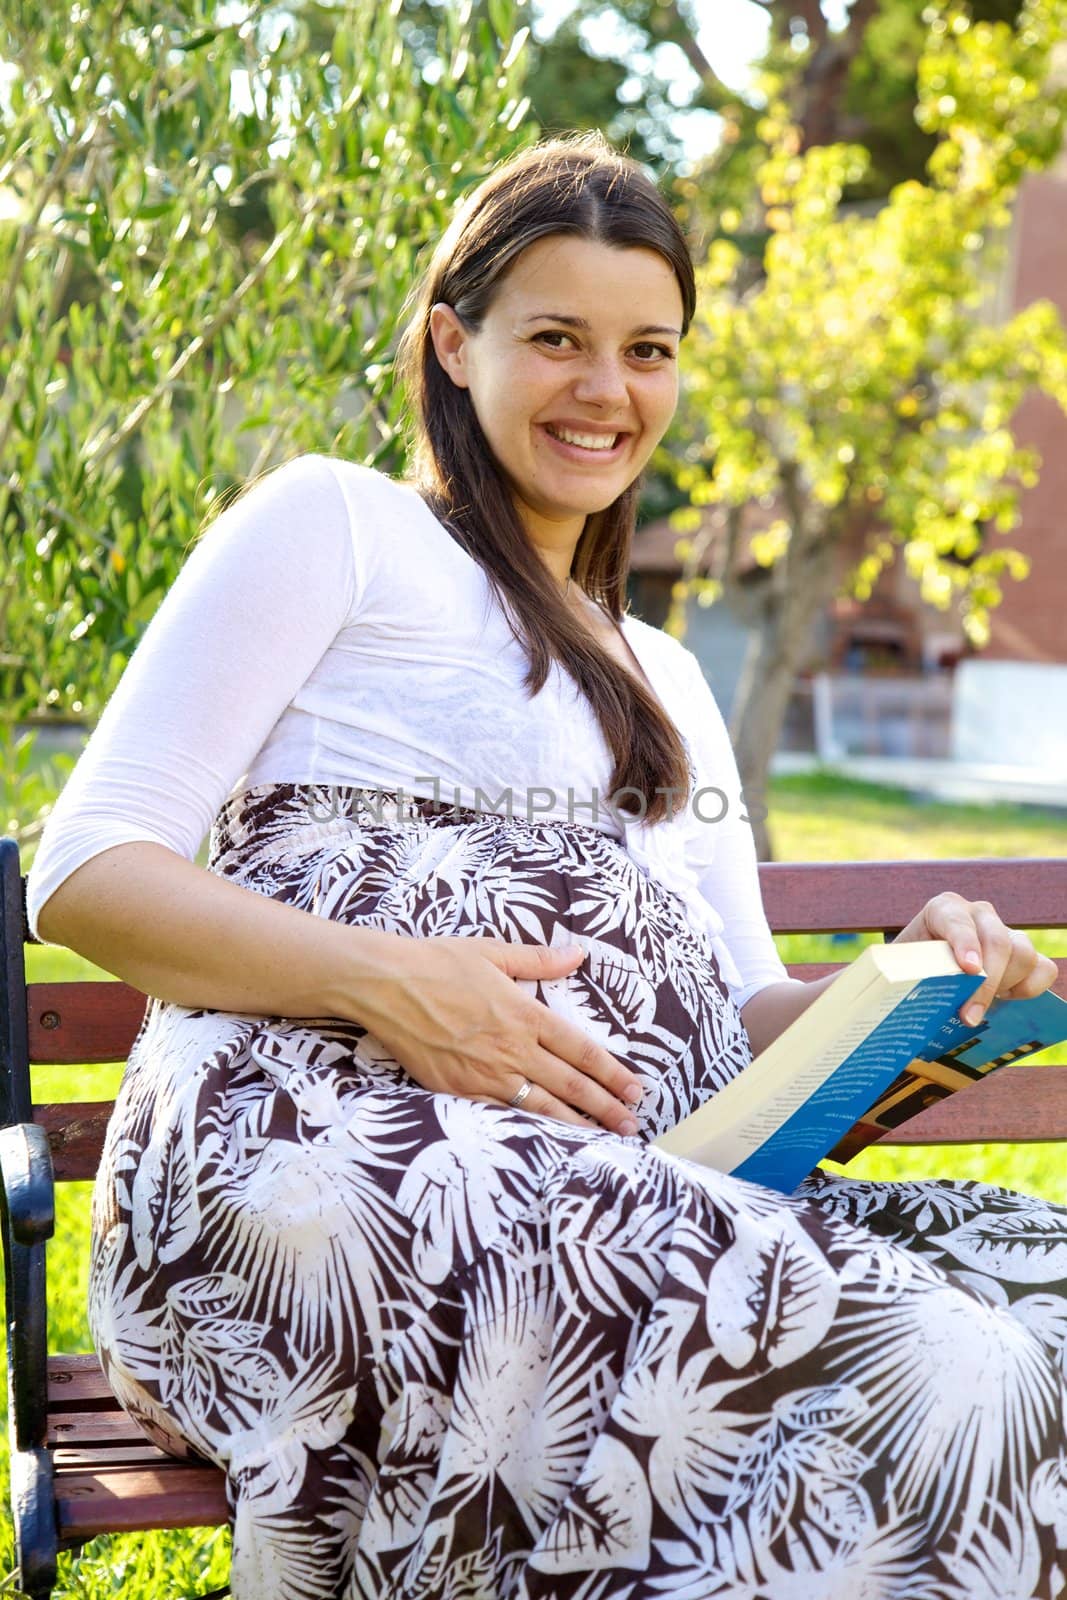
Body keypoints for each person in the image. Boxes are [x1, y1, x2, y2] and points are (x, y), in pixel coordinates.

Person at [25, 132, 1067, 1600]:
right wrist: (392, 985)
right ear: (454, 343)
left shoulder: (668, 675)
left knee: (1045, 1321)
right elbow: (82, 868)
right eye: (558, 339)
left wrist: (916, 989)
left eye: (649, 350)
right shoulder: (341, 527)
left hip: (634, 1173)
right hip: (323, 1160)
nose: (607, 389)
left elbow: (748, 1011)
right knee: (934, 1370)